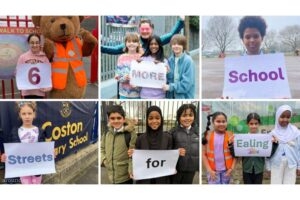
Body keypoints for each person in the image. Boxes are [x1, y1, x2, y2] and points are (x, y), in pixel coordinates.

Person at [1, 101, 46, 184]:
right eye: (24, 114)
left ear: (34, 114)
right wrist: (6, 156)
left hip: (37, 168)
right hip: (23, 169)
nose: (27, 116)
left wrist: (50, 152)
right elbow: (12, 149)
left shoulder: (40, 131)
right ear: (20, 115)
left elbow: (43, 147)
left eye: (29, 113)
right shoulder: (15, 131)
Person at [229, 113, 278, 184]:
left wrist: (274, 144)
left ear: (259, 124)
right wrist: (231, 145)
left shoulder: (264, 138)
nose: (254, 126)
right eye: (251, 124)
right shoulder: (242, 139)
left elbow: (269, 155)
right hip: (247, 169)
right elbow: (235, 155)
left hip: (259, 169)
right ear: (247, 124)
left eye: (256, 123)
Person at [101, 16, 184, 55]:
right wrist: (100, 47)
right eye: (142, 29)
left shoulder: (156, 41)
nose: (145, 31)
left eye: (147, 29)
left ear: (151, 29)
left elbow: (172, 35)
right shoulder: (134, 42)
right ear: (139, 29)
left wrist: (181, 21)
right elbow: (116, 49)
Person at [133, 105, 173, 184]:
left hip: (162, 179)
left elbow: (170, 158)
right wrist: (132, 154)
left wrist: (179, 152)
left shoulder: (168, 138)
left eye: (157, 118)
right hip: (145, 179)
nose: (154, 121)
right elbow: (137, 160)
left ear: (161, 119)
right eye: (150, 118)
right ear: (147, 120)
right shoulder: (140, 139)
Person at [101, 105, 137, 184]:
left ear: (123, 119)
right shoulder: (107, 133)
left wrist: (130, 170)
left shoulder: (130, 134)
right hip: (111, 175)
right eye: (112, 118)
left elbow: (132, 155)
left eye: (119, 118)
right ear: (109, 120)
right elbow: (102, 148)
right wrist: (104, 160)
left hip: (125, 177)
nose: (116, 121)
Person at [266, 105, 300, 184]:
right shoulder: (272, 134)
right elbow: (268, 153)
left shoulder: (296, 132)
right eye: (282, 116)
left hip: (291, 165)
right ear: (277, 116)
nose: (285, 119)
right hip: (276, 164)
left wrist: (299, 166)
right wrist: (268, 167)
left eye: (288, 117)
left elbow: (299, 150)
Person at [202, 111, 236, 184]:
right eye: (218, 121)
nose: (221, 124)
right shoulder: (207, 135)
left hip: (227, 171)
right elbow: (203, 154)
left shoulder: (231, 135)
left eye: (223, 121)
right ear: (213, 122)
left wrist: (231, 168)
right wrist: (209, 170)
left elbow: (236, 155)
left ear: (227, 122)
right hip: (213, 172)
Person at [170, 103, 199, 184]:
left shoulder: (198, 132)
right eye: (184, 115)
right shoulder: (173, 132)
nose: (187, 118)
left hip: (191, 170)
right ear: (179, 117)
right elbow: (167, 150)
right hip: (176, 170)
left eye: (190, 115)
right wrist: (176, 151)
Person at [16, 33, 52, 98]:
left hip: (40, 92)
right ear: (29, 43)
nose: (35, 45)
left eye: (37, 42)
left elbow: (48, 74)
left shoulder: (44, 58)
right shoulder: (23, 57)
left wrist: (48, 86)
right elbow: (17, 73)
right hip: (27, 92)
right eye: (32, 43)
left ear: (39, 44)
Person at [163, 34, 195, 99]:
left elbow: (186, 85)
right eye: (174, 44)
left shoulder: (188, 61)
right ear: (171, 46)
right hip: (171, 97)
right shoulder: (170, 60)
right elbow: (169, 80)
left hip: (183, 97)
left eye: (179, 44)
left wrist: (170, 87)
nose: (176, 46)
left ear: (183, 46)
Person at [115, 32, 142, 99]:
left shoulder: (141, 57)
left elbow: (144, 75)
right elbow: (118, 76)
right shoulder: (121, 57)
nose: (131, 43)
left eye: (134, 41)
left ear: (138, 44)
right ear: (126, 43)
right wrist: (124, 78)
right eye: (129, 41)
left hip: (138, 93)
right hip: (123, 93)